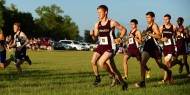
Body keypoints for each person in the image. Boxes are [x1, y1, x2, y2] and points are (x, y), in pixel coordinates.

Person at [90, 5, 128, 90]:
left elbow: (124, 29)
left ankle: (112, 75)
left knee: (101, 62)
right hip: (101, 46)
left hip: (111, 46)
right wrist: (92, 34)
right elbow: (95, 38)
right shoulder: (97, 24)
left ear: (106, 12)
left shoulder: (112, 22)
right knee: (93, 61)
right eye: (98, 13)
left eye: (100, 12)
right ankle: (122, 83)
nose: (98, 14)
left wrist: (119, 38)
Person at [135, 12, 173, 87]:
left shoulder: (154, 25)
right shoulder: (148, 26)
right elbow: (150, 37)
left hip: (154, 48)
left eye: (148, 17)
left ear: (153, 18)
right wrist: (144, 37)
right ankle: (142, 82)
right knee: (142, 62)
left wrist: (148, 34)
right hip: (147, 47)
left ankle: (169, 71)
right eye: (146, 17)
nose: (147, 19)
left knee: (160, 65)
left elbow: (158, 36)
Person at [159, 14, 183, 83]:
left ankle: (164, 79)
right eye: (164, 19)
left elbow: (177, 33)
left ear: (170, 19)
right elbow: (159, 36)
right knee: (168, 64)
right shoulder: (161, 27)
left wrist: (178, 35)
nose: (165, 21)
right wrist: (162, 39)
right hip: (165, 47)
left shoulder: (174, 27)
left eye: (167, 19)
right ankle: (178, 62)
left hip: (172, 46)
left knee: (166, 63)